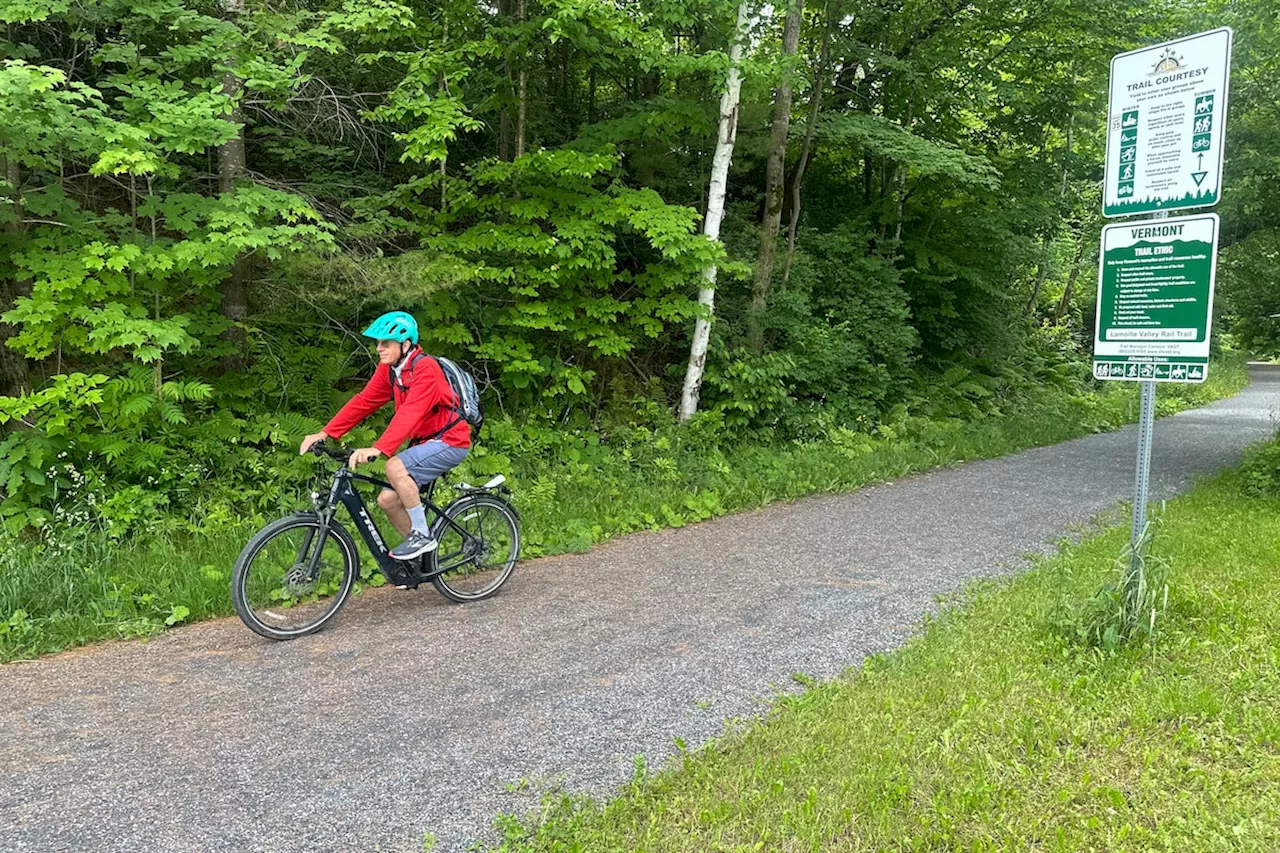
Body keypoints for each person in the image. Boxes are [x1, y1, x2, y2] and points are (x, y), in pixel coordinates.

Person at [299, 310, 470, 561]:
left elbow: (411, 412)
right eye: (377, 343)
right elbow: (364, 401)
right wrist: (325, 433)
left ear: (406, 344)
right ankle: (419, 563)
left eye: (385, 343)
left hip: (450, 440)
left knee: (395, 467)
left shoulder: (426, 369)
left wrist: (379, 449)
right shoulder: (390, 369)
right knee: (388, 501)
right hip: (424, 442)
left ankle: (422, 535)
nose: (379, 348)